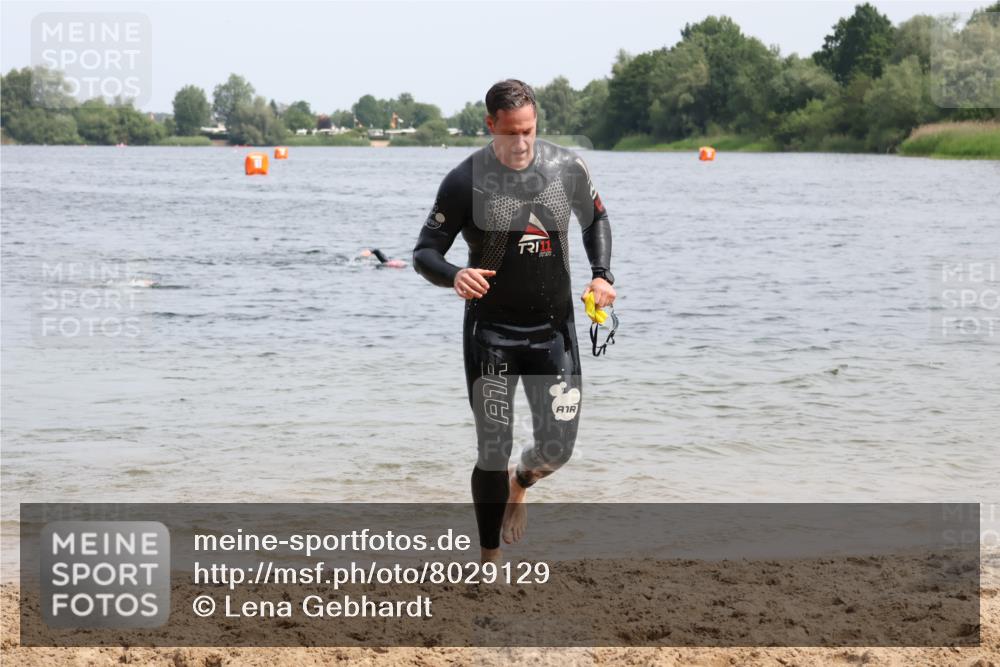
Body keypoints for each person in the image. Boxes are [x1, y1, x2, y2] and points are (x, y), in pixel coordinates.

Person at [412, 79, 615, 563]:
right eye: (510, 133)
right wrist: (454, 274)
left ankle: (519, 483)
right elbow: (424, 252)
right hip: (492, 333)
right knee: (492, 446)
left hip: (554, 331)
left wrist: (601, 275)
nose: (521, 143)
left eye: (529, 130)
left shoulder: (566, 167)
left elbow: (596, 220)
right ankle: (489, 558)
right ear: (490, 125)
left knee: (557, 449)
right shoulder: (464, 181)